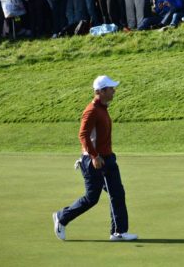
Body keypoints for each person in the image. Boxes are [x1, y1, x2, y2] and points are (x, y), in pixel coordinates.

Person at [53, 75, 138, 241]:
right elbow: (82, 135)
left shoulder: (103, 109)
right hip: (96, 162)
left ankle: (119, 232)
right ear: (100, 91)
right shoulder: (91, 110)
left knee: (117, 193)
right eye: (111, 89)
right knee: (92, 198)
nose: (114, 91)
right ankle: (62, 217)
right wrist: (94, 156)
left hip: (108, 158)